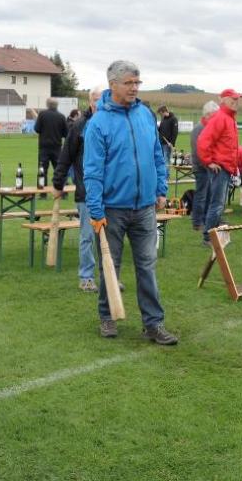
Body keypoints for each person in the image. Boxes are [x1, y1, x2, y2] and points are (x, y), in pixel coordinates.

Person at [83, 60, 177, 345]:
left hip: (145, 207)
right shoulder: (98, 123)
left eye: (137, 83)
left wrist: (160, 188)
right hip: (112, 209)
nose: (135, 88)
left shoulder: (146, 116)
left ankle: (153, 324)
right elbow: (93, 170)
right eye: (129, 83)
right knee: (110, 266)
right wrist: (96, 210)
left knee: (147, 266)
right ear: (113, 85)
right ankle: (107, 316)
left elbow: (156, 155)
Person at [55, 88, 101, 292]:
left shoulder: (113, 124)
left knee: (109, 238)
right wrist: (58, 183)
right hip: (86, 192)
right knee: (87, 236)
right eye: (97, 99)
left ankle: (109, 276)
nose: (100, 103)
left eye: (104, 99)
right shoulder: (80, 126)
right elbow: (65, 156)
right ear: (90, 102)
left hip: (112, 193)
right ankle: (87, 277)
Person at [196, 88, 241, 246]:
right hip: (220, 168)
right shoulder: (221, 118)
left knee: (218, 204)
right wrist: (209, 161)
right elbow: (203, 141)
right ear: (223, 100)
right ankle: (208, 237)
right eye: (233, 99)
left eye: (237, 99)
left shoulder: (229, 118)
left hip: (226, 167)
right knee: (217, 204)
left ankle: (212, 235)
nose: (236, 102)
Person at [189, 100, 219, 232]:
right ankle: (197, 222)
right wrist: (208, 164)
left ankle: (208, 219)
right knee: (201, 195)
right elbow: (197, 151)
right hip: (201, 168)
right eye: (214, 115)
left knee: (210, 194)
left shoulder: (210, 127)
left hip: (209, 167)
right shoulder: (199, 129)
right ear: (207, 114)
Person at [34, 98, 68, 182]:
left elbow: (37, 129)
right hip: (57, 147)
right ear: (57, 105)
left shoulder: (42, 114)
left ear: (47, 105)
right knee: (59, 169)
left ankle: (42, 191)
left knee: (42, 169)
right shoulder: (61, 116)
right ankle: (61, 189)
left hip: (44, 147)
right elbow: (66, 133)